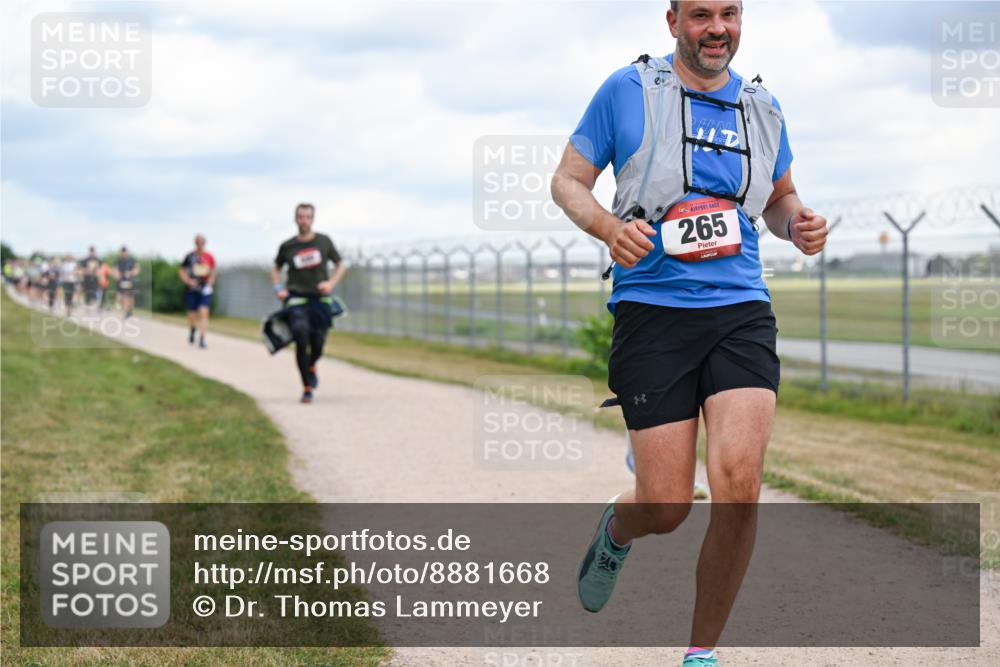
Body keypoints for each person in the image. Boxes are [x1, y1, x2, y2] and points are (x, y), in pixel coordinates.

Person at [550, 3, 828, 665]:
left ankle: (701, 652)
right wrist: (607, 228)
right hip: (653, 314)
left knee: (738, 479)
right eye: (701, 14)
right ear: (672, 21)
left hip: (740, 311)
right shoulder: (629, 90)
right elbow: (567, 181)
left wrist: (799, 227)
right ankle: (621, 527)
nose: (717, 28)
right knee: (668, 504)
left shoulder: (762, 107)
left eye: (729, 13)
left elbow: (778, 199)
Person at [271, 203, 348, 404]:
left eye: (307, 217)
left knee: (318, 343)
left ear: (312, 219)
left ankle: (312, 364)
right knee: (301, 337)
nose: (303, 220)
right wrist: (278, 288)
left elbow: (340, 265)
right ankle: (306, 388)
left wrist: (330, 283)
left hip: (319, 300)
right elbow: (276, 269)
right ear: (295, 219)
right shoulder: (288, 246)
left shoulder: (323, 241)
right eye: (300, 216)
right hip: (296, 300)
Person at [179, 234, 216, 348]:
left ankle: (202, 338)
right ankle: (192, 330)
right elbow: (182, 271)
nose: (200, 245)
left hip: (204, 289)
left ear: (204, 243)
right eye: (198, 243)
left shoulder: (209, 257)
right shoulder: (190, 256)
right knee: (192, 315)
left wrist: (210, 283)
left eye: (202, 243)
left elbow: (212, 272)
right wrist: (188, 281)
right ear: (195, 243)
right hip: (192, 289)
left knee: (204, 312)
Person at [114, 246, 140, 318]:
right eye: (122, 252)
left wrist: (131, 273)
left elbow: (137, 269)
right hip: (122, 281)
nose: (124, 253)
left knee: (130, 296)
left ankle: (130, 310)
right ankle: (126, 311)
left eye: (125, 252)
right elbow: (115, 269)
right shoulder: (118, 260)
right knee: (124, 295)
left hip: (130, 280)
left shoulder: (132, 260)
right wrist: (117, 275)